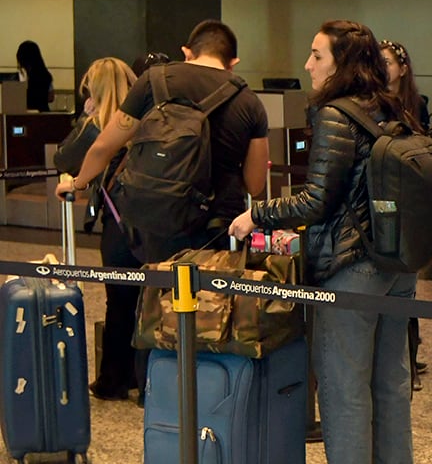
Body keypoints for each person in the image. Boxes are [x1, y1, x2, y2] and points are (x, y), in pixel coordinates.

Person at [229, 20, 418, 464]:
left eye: (317, 55)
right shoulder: (392, 105)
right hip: (398, 262)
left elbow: (318, 198)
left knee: (343, 382)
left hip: (352, 266)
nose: (308, 65)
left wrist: (259, 215)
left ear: (341, 62)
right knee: (390, 378)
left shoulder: (336, 115)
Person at [56, 20, 269, 262]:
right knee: (209, 299)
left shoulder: (152, 81)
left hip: (147, 221)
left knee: (134, 298)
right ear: (233, 62)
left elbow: (104, 147)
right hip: (212, 228)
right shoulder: (249, 102)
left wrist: (78, 184)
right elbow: (255, 184)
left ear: (187, 52)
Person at [62, 57, 142, 401]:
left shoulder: (98, 126)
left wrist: (86, 116)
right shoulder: (144, 121)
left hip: (118, 225)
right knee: (147, 300)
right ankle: (145, 377)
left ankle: (114, 379)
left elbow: (64, 159)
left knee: (119, 302)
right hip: (148, 222)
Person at [380, 39, 431, 390]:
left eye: (387, 62)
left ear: (403, 68)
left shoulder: (418, 105)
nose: (383, 69)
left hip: (410, 199)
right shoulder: (368, 105)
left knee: (407, 283)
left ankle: (409, 357)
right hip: (383, 199)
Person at [16, 40, 54, 111]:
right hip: (43, 113)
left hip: (25, 114)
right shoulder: (45, 74)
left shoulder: (21, 75)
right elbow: (51, 97)